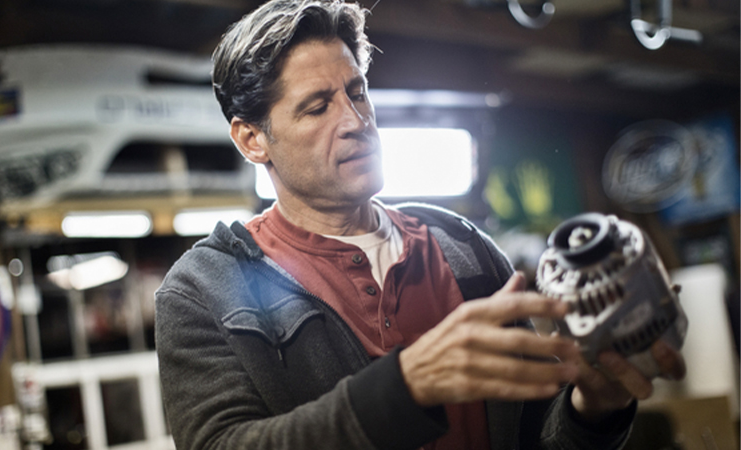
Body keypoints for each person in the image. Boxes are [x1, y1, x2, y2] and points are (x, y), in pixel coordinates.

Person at [154, 1, 686, 449]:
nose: (357, 122)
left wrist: (592, 406)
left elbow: (537, 433)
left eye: (357, 93)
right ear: (252, 139)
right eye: (317, 108)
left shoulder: (462, 246)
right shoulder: (203, 290)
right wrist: (404, 388)